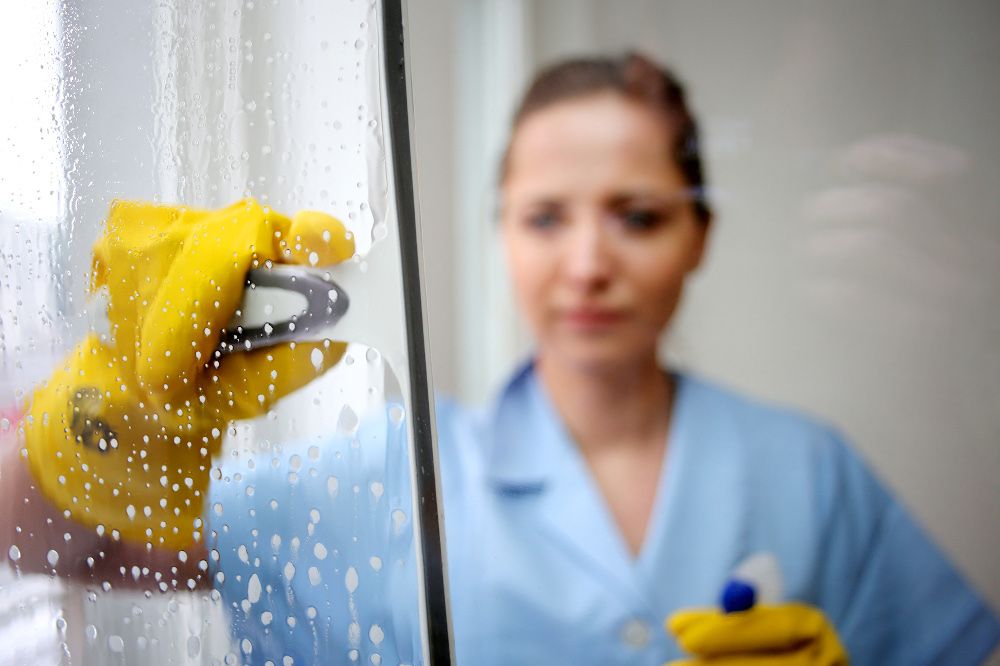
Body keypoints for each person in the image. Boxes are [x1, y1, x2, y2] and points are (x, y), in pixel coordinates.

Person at [3, 52, 999, 665]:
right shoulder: (388, 480)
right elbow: (33, 532)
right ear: (503, 241)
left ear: (697, 239)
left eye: (638, 216)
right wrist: (119, 403)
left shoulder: (809, 474)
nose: (589, 262)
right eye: (546, 217)